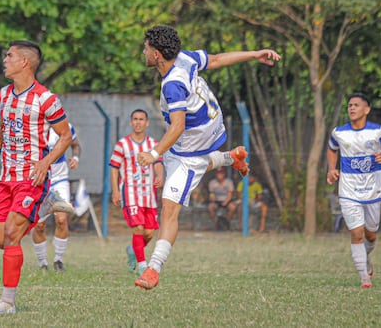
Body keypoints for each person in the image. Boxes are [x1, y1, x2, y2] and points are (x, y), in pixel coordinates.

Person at [134, 26, 280, 290]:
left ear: (156, 54)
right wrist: (254, 54)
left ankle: (153, 269)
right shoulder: (184, 57)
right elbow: (216, 60)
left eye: (145, 48)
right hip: (209, 127)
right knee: (194, 164)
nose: (142, 52)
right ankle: (230, 158)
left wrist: (154, 153)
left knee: (169, 209)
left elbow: (177, 126)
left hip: (191, 146)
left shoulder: (173, 86)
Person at [0, 40, 75, 315]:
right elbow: (3, 128)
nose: (4, 60)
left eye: (9, 56)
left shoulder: (47, 99)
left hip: (31, 179)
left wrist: (45, 161)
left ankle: (7, 302)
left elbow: (65, 136)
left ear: (25, 63)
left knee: (12, 234)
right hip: (7, 178)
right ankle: (43, 207)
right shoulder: (4, 94)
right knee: (1, 239)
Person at [326, 92, 381, 288]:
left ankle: (367, 256)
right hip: (349, 191)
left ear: (367, 109)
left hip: (373, 191)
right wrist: (332, 169)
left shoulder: (378, 131)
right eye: (350, 105)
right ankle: (364, 277)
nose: (352, 108)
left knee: (371, 235)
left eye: (356, 105)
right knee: (356, 233)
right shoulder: (339, 132)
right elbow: (332, 149)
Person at [110, 109, 163, 277]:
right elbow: (114, 168)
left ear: (147, 123)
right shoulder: (122, 144)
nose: (138, 122)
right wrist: (115, 190)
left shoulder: (153, 144)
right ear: (131, 122)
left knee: (149, 233)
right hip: (130, 192)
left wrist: (160, 175)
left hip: (149, 195)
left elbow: (158, 163)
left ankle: (133, 250)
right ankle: (142, 265)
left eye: (141, 119)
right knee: (138, 228)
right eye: (135, 119)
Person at [31, 123, 81, 272]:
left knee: (61, 219)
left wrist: (76, 157)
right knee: (39, 225)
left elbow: (75, 144)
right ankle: (42, 263)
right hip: (39, 181)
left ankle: (58, 261)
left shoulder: (65, 126)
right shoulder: (33, 126)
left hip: (60, 180)